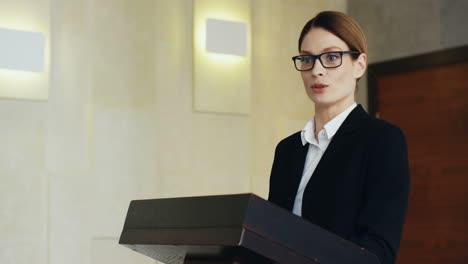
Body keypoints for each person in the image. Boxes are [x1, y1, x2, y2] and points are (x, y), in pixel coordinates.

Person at [268, 11, 410, 264]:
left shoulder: (382, 140)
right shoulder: (287, 150)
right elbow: (271, 235)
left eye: (331, 57)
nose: (317, 70)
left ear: (359, 64)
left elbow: (378, 248)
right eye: (307, 59)